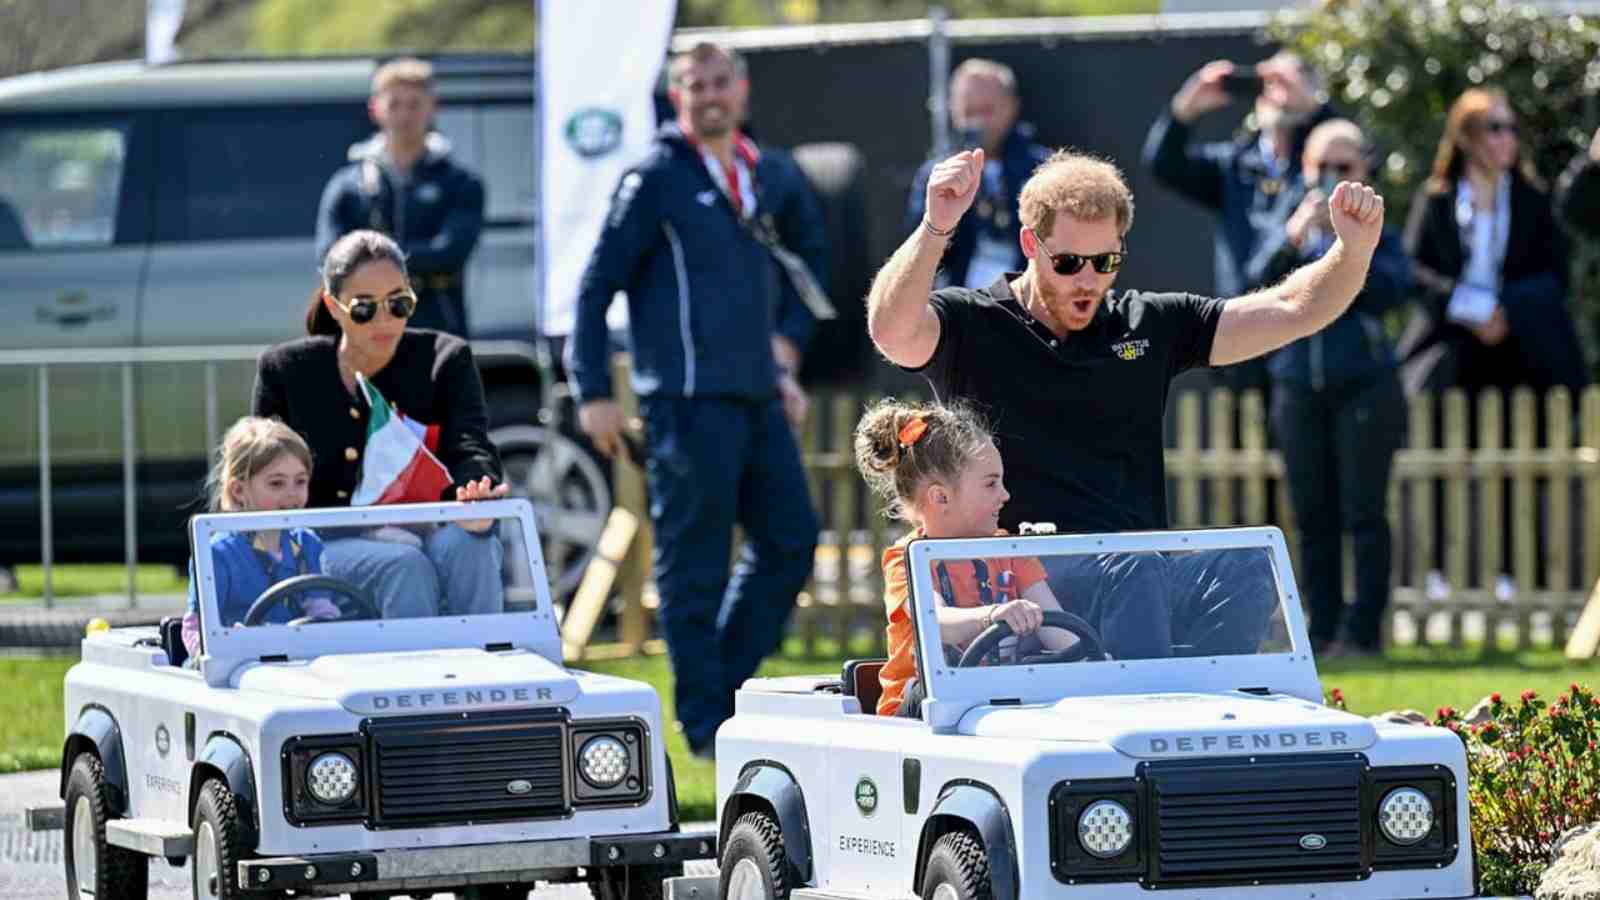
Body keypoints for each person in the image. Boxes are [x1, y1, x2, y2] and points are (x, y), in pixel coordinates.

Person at [865, 146, 1384, 655]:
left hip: (1140, 575)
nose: (1087, 280)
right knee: (1137, 566)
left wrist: (1352, 252)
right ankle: (1146, 708)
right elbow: (891, 330)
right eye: (1067, 263)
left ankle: (1202, 710)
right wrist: (936, 227)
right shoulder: (972, 322)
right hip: (1022, 581)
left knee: (1246, 565)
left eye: (1105, 261)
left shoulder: (1149, 323)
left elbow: (1292, 308)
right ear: (1030, 242)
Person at [569, 42, 828, 759]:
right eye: (693, 85)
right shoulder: (654, 176)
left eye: (719, 82)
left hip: (758, 396)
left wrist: (787, 353)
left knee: (791, 541)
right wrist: (592, 391)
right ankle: (705, 728)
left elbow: (810, 271)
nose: (709, 96)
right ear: (675, 95)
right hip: (683, 403)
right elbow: (593, 291)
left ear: (741, 89)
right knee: (695, 564)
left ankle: (725, 695)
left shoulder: (764, 172)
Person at [255, 229, 508, 619]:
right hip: (324, 542)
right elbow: (263, 471)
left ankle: (486, 666)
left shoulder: (446, 359)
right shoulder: (286, 371)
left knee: (470, 544)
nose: (385, 319)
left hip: (427, 527)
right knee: (402, 565)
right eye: (364, 308)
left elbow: (469, 445)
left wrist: (475, 491)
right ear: (334, 306)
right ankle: (418, 678)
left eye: (399, 304)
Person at [1247, 119, 1411, 656]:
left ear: (1363, 169)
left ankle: (1364, 634)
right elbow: (1251, 285)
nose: (1330, 178)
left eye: (1344, 167)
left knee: (1363, 513)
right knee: (1311, 515)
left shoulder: (1377, 220)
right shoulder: (1285, 213)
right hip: (1297, 384)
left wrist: (1348, 249)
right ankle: (1320, 631)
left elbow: (1394, 289)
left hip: (1363, 383)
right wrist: (1293, 237)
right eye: (1321, 166)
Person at [853, 398, 1076, 718]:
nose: (1006, 495)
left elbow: (1057, 628)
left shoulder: (1009, 550)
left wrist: (1096, 666)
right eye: (991, 484)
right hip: (919, 712)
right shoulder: (907, 559)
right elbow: (935, 623)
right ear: (940, 497)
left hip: (996, 701)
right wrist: (993, 615)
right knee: (924, 690)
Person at [1144, 51, 1337, 394]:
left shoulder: (1321, 162)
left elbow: (1347, 148)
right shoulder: (1234, 164)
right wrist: (1186, 108)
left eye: (1286, 84)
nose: (1277, 94)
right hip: (1244, 331)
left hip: (1303, 337)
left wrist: (1311, 105)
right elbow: (1164, 165)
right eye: (1268, 84)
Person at [315, 57, 485, 337]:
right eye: (394, 104)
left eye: (414, 104)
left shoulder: (461, 183)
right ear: (375, 109)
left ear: (433, 108)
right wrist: (407, 264)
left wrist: (367, 265)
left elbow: (449, 253)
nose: (404, 116)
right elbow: (329, 257)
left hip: (437, 329)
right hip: (364, 331)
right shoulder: (347, 186)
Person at [180, 417, 337, 659]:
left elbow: (320, 607)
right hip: (241, 671)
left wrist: (331, 629)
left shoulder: (307, 543)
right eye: (276, 484)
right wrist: (218, 646)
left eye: (300, 481)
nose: (292, 495)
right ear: (239, 490)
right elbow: (195, 627)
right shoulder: (217, 553)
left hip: (302, 663)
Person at [905, 58, 1052, 290]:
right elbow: (919, 252)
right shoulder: (939, 174)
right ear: (954, 111)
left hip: (1031, 292)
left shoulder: (1044, 169)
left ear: (1011, 107)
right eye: (969, 112)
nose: (978, 122)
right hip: (963, 298)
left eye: (987, 110)